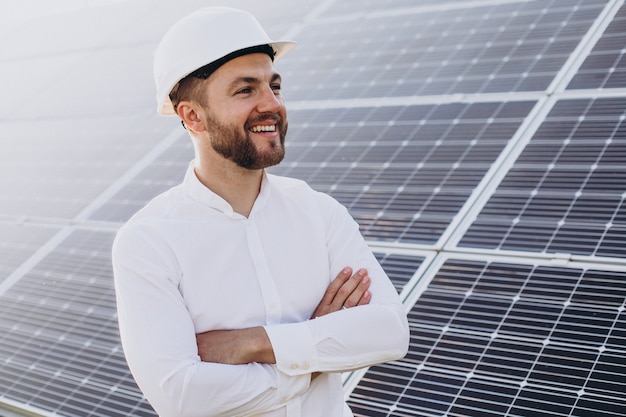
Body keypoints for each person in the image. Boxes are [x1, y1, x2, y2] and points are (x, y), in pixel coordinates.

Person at [112, 7, 409, 417]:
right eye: (245, 90)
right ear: (192, 116)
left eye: (275, 86)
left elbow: (390, 333)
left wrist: (254, 344)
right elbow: (183, 398)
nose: (271, 104)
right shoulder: (148, 241)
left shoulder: (319, 212)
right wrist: (317, 352)